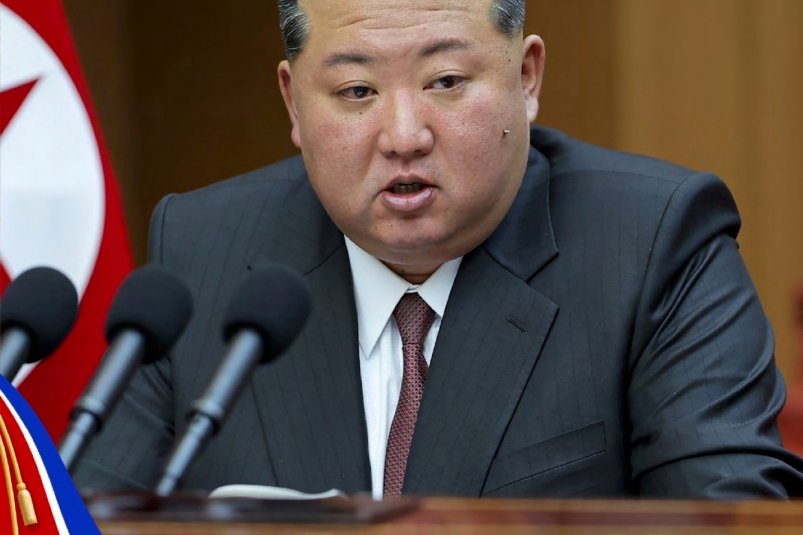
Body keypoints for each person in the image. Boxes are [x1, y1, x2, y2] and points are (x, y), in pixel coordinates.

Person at [74, 0, 803, 498]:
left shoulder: (652, 244)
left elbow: (727, 518)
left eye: (446, 81)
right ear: (293, 102)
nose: (403, 135)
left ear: (526, 78)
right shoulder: (203, 251)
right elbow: (95, 513)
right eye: (356, 90)